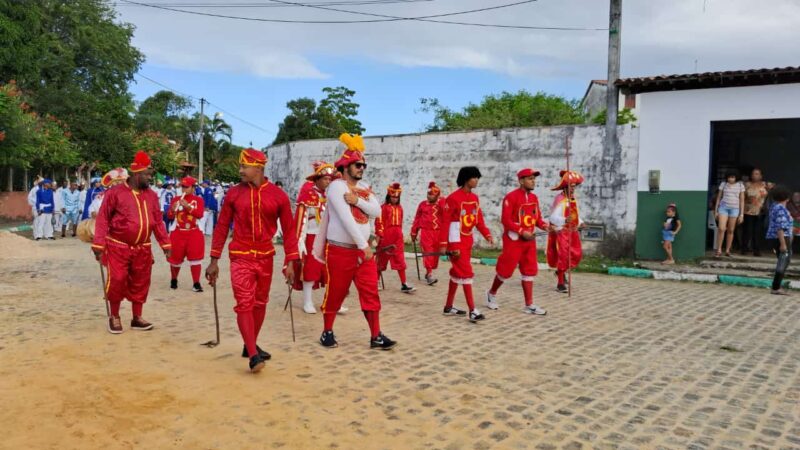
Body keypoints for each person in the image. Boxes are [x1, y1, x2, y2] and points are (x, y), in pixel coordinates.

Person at [206, 148, 300, 373]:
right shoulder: (233, 194)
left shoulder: (278, 196)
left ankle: (250, 345)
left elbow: (289, 231)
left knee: (260, 304)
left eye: (244, 167)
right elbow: (221, 227)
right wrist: (214, 259)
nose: (239, 171)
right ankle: (253, 354)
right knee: (244, 304)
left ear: (258, 168)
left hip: (266, 257)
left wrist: (292, 261)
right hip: (240, 256)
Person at [311, 133, 397, 350]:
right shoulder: (337, 187)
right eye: (357, 164)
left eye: (363, 165)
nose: (361, 168)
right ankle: (327, 332)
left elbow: (377, 211)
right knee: (337, 292)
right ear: (346, 166)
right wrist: (364, 245)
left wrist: (357, 200)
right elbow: (346, 219)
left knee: (370, 291)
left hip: (363, 251)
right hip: (341, 251)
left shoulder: (364, 188)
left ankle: (376, 335)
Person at [92, 151, 172, 334]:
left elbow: (157, 221)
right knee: (117, 280)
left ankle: (137, 318)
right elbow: (103, 219)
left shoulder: (152, 195)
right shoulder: (115, 193)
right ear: (137, 174)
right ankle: (115, 316)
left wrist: (165, 244)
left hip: (143, 248)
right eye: (147, 174)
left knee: (141, 281)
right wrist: (98, 244)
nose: (150, 178)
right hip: (117, 247)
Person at [486, 168, 549, 314]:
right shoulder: (511, 197)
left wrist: (545, 226)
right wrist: (521, 231)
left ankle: (529, 304)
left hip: (529, 240)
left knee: (529, 270)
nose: (533, 181)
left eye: (534, 179)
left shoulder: (534, 198)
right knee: (506, 270)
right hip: (514, 240)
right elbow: (506, 220)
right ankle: (491, 293)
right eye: (530, 179)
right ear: (521, 181)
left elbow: (537, 218)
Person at [439, 166, 494, 322]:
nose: (476, 180)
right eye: (474, 177)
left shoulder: (475, 198)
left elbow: (478, 219)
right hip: (456, 241)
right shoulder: (453, 198)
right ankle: (473, 310)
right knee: (466, 273)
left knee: (458, 273)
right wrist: (444, 245)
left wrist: (487, 234)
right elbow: (445, 223)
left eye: (477, 177)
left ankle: (448, 307)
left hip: (467, 240)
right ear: (465, 179)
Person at [293, 160, 336, 314]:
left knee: (331, 271)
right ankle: (307, 302)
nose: (328, 181)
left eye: (329, 179)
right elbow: (300, 219)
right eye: (325, 179)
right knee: (310, 270)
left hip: (328, 238)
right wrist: (299, 241)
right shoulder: (307, 194)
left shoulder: (331, 195)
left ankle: (332, 302)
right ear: (317, 179)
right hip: (311, 237)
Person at [546, 170, 585, 293]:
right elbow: (552, 218)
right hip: (562, 232)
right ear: (565, 186)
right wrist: (564, 220)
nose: (573, 189)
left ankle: (560, 272)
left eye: (574, 187)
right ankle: (560, 283)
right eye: (570, 186)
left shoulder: (572, 199)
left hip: (572, 232)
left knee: (574, 255)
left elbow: (574, 215)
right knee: (563, 256)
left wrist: (580, 222)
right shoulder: (560, 199)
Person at [167, 176, 205, 292]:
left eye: (186, 187)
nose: (184, 189)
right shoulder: (175, 199)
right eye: (182, 186)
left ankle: (196, 283)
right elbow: (169, 216)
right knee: (175, 258)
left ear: (193, 188)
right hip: (178, 232)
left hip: (193, 232)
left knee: (195, 258)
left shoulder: (198, 200)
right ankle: (174, 279)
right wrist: (173, 210)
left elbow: (199, 215)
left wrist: (188, 207)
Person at [376, 183, 415, 293]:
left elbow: (401, 223)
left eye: (397, 197)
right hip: (386, 236)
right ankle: (376, 281)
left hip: (397, 236)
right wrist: (380, 235)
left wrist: (401, 235)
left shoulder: (400, 208)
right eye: (393, 196)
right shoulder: (383, 208)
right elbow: (379, 222)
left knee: (400, 259)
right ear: (389, 196)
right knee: (381, 260)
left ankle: (404, 283)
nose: (395, 199)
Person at [411, 182, 446, 286]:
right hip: (426, 232)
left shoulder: (441, 204)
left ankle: (428, 272)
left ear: (437, 195)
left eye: (432, 194)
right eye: (428, 194)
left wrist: (443, 201)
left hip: (438, 233)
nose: (429, 196)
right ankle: (430, 274)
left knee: (435, 255)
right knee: (428, 253)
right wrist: (414, 232)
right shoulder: (422, 204)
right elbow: (417, 218)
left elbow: (447, 212)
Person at [765, 185, 793, 295]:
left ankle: (777, 286)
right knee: (783, 261)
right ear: (787, 198)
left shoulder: (774, 206)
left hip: (777, 237)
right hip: (781, 237)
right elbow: (780, 227)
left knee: (783, 260)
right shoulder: (780, 209)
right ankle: (776, 287)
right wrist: (783, 244)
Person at [742, 168, 773, 256]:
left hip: (761, 211)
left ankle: (757, 250)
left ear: (761, 176)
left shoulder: (765, 184)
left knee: (758, 231)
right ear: (751, 176)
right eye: (753, 174)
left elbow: (776, 191)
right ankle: (744, 249)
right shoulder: (747, 185)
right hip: (748, 211)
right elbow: (742, 198)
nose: (755, 175)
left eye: (757, 174)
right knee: (748, 231)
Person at [713, 172, 745, 257]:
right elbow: (719, 197)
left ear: (736, 178)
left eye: (732, 177)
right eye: (729, 177)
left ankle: (727, 250)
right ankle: (719, 249)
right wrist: (716, 211)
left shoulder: (740, 185)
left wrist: (741, 214)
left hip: (735, 209)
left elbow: (742, 200)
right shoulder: (723, 184)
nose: (730, 179)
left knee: (731, 230)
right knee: (721, 228)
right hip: (723, 208)